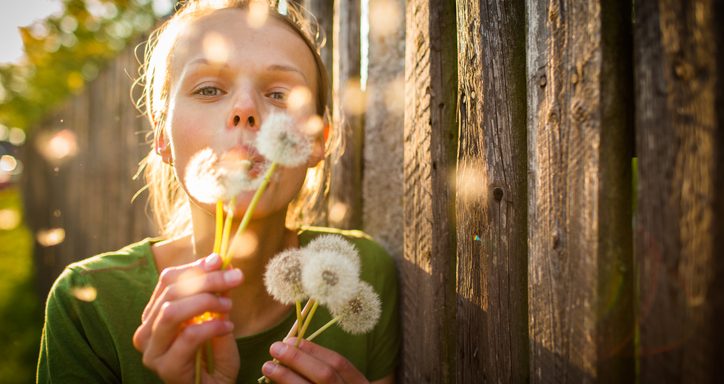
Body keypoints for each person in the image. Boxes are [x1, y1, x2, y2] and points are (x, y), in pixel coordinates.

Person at [36, 1, 400, 383]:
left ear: (316, 141)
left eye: (279, 95)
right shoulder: (89, 307)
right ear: (161, 136)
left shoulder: (363, 274)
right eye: (209, 89)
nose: (245, 109)